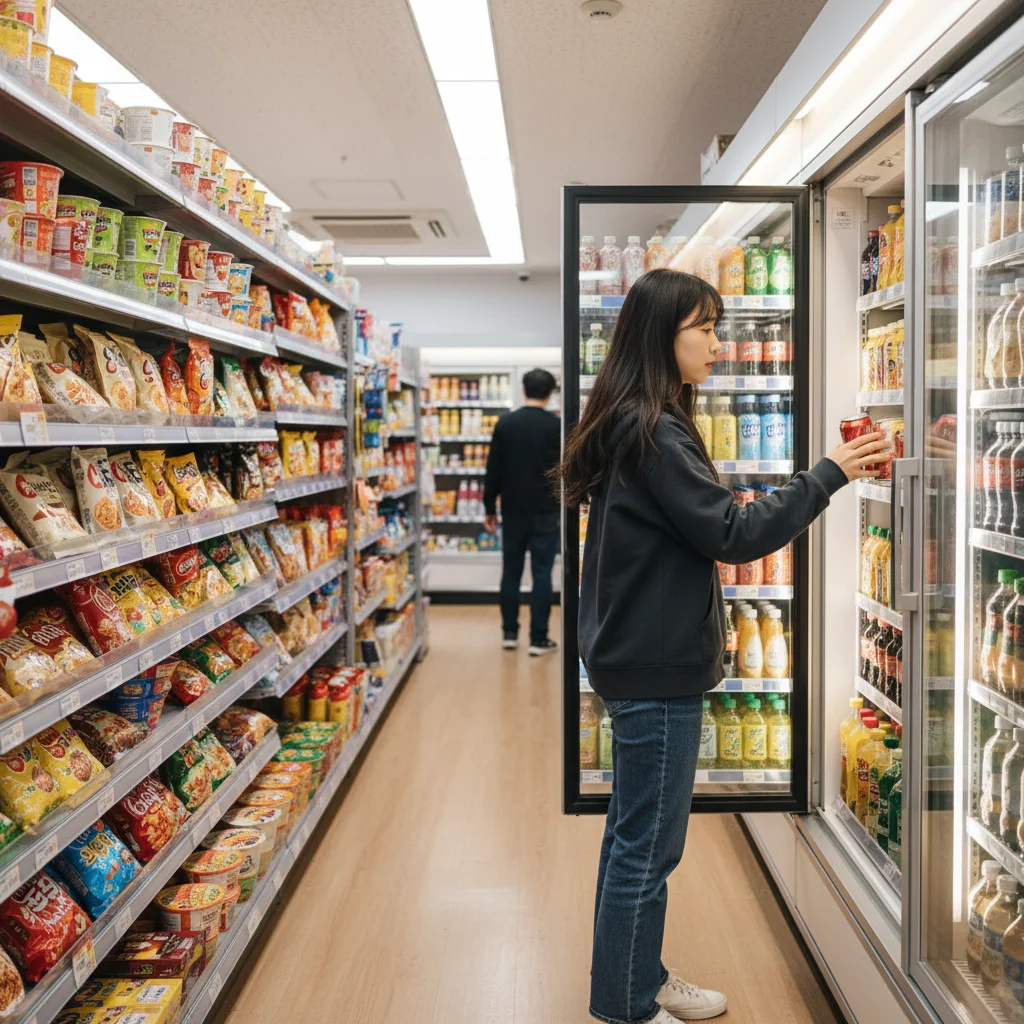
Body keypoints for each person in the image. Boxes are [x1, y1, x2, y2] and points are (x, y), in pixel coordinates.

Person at [559, 269, 890, 1024]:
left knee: (633, 839)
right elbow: (732, 533)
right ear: (661, 337)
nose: (717, 342)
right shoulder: (652, 429)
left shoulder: (635, 419)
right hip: (656, 663)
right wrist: (827, 476)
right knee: (648, 849)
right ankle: (628, 1006)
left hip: (636, 651)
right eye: (702, 329)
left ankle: (638, 979)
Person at [484, 367, 562, 656]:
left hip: (513, 510)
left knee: (511, 572)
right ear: (551, 393)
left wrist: (489, 507)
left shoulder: (506, 423)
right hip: (546, 510)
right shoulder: (557, 426)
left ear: (523, 390)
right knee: (542, 573)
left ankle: (509, 634)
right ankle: (538, 639)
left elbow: (493, 470)